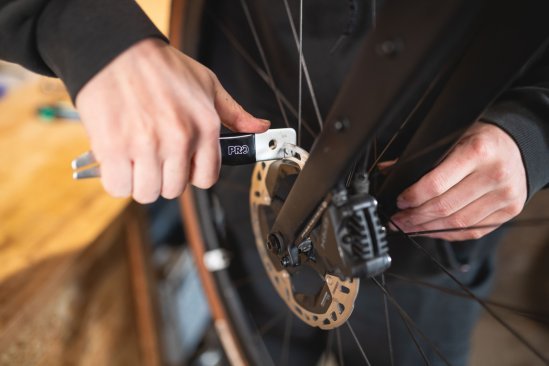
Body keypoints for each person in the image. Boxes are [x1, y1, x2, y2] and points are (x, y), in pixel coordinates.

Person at [1, 0, 547, 364]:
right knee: (260, 332)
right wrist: (89, 30)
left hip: (442, 203)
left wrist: (536, 131)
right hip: (251, 135)